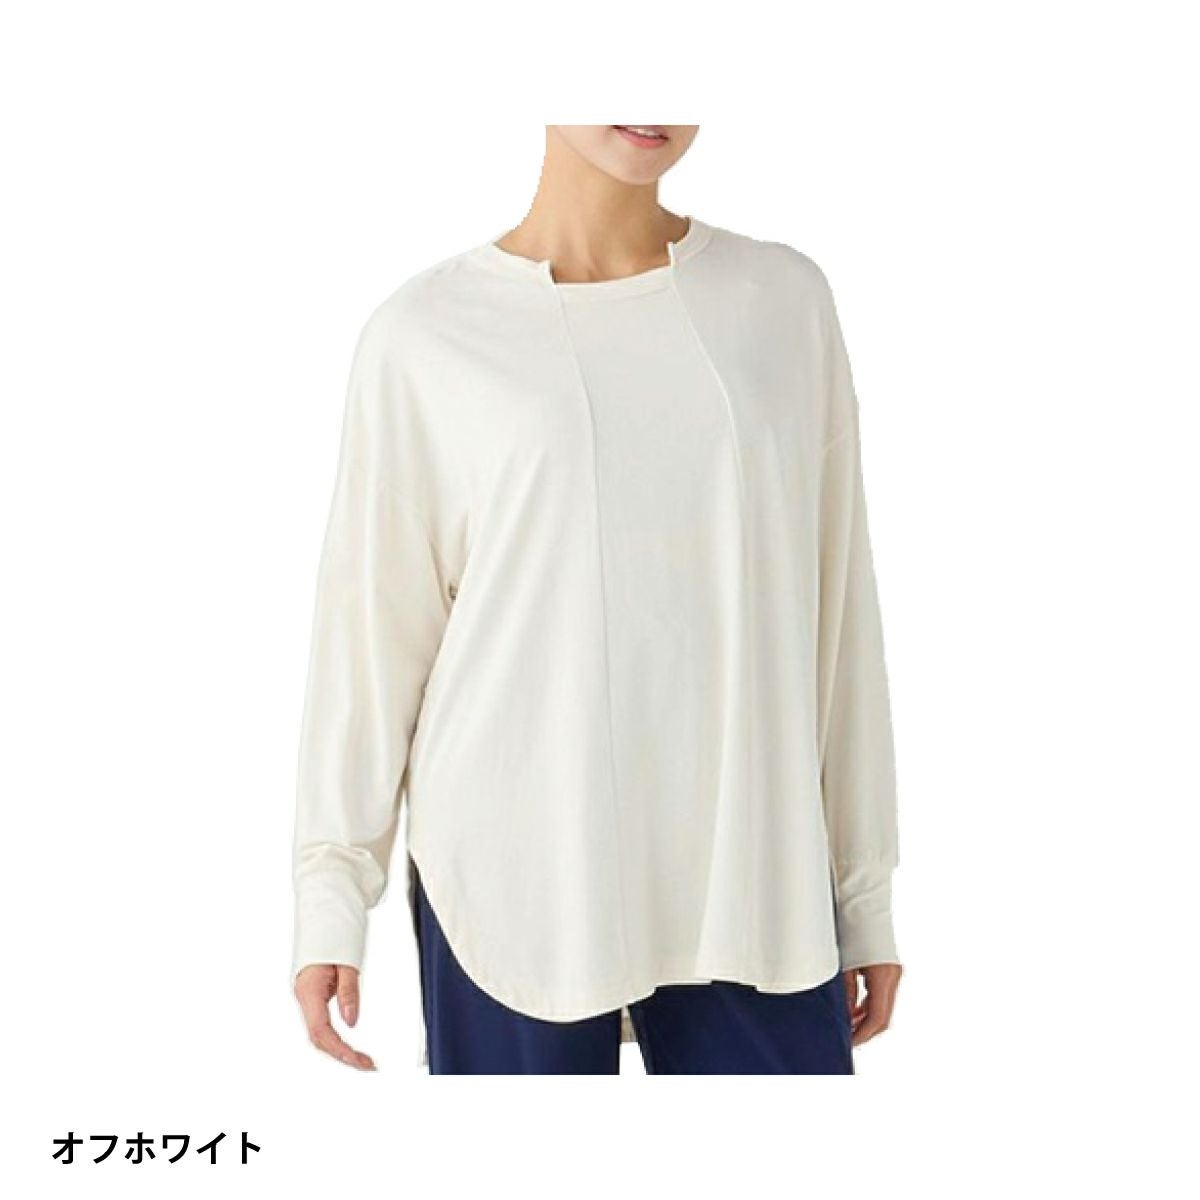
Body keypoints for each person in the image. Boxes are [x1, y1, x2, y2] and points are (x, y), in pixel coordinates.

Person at [290, 124, 903, 1074]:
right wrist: (332, 893)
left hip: (751, 866)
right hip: (514, 868)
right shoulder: (424, 336)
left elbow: (838, 615)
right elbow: (371, 637)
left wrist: (864, 896)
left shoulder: (782, 301)